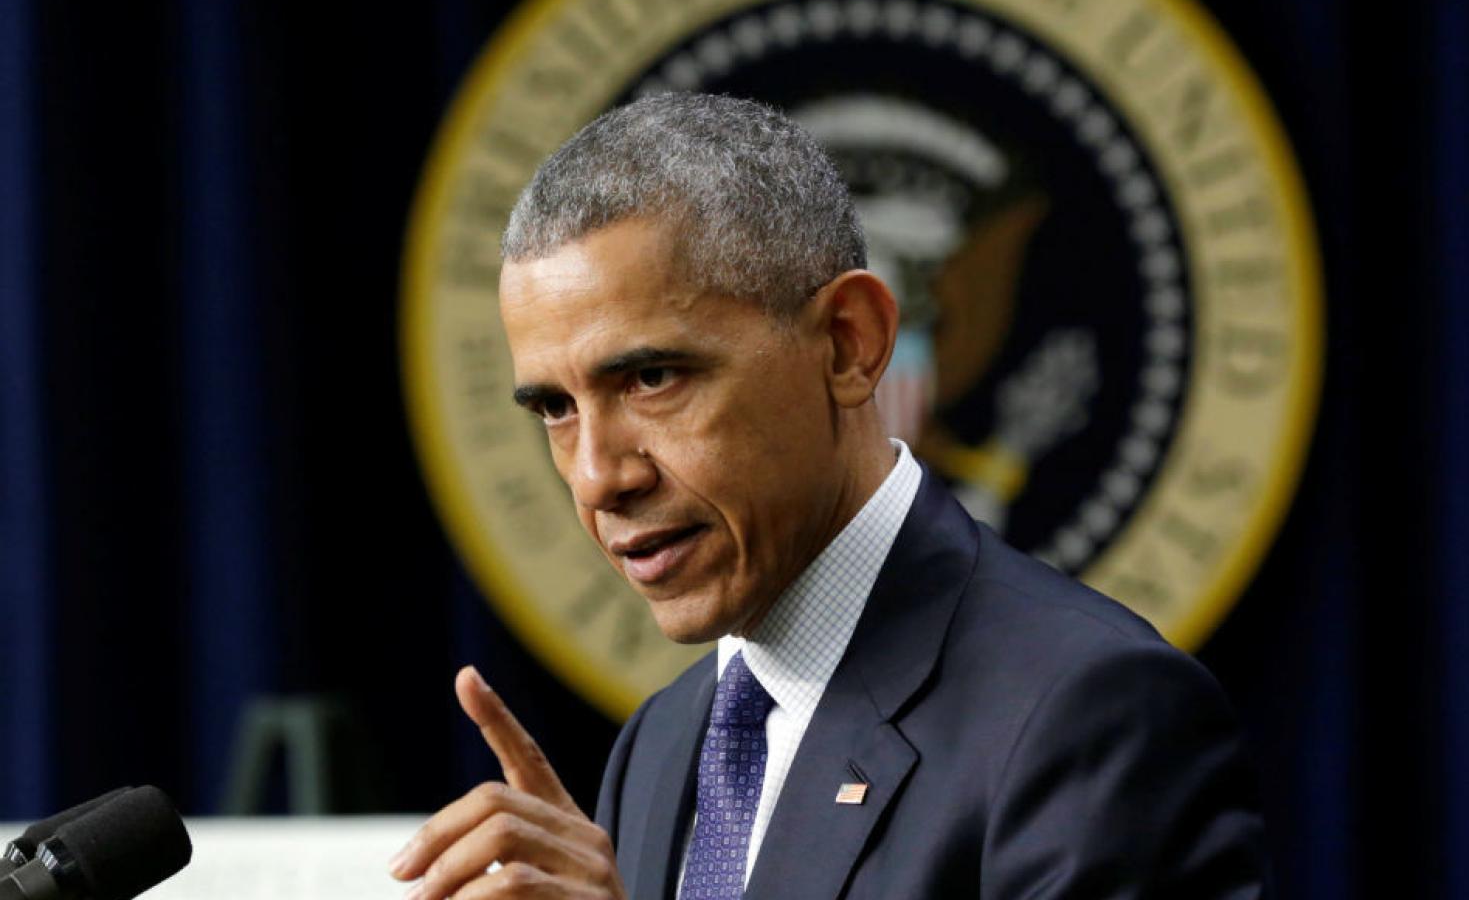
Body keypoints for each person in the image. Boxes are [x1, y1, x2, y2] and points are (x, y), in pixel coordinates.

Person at [388, 93, 1271, 899]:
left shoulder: (1091, 714)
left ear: (850, 345)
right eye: (554, 407)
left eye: (653, 377)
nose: (598, 476)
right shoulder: (661, 744)